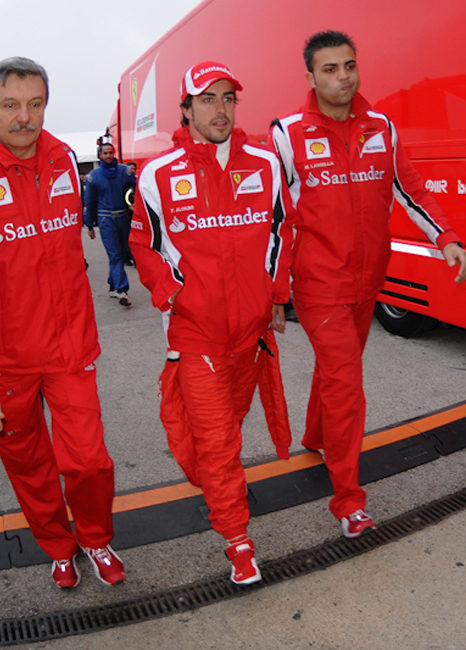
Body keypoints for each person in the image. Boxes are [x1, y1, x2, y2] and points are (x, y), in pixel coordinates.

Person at [0, 56, 125, 589]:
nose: (24, 117)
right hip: (2, 364)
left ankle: (96, 537)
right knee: (32, 469)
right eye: (11, 105)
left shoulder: (66, 161)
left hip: (70, 351)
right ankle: (58, 547)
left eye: (35, 104)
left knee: (88, 463)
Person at [271, 31, 466, 538]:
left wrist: (444, 236)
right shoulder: (287, 134)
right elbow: (275, 220)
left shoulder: (381, 126)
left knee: (339, 372)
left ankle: (317, 437)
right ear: (310, 76)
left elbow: (410, 188)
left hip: (367, 281)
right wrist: (274, 289)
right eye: (331, 69)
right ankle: (348, 499)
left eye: (350, 66)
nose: (343, 77)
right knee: (346, 384)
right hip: (318, 286)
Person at [130, 60, 291, 585]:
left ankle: (220, 487)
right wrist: (172, 292)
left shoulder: (265, 166)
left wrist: (275, 294)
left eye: (228, 98)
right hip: (194, 334)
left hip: (250, 334)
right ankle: (237, 538)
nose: (220, 109)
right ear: (187, 108)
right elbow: (144, 245)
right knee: (218, 440)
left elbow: (282, 231)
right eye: (208, 99)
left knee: (227, 431)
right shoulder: (158, 173)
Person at [84, 142, 134, 306]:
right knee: (115, 255)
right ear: (100, 155)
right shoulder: (94, 176)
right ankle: (122, 290)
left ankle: (113, 285)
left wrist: (133, 203)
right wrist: (89, 225)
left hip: (123, 218)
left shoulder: (124, 172)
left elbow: (135, 189)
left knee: (122, 252)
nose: (108, 156)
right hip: (106, 220)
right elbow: (89, 202)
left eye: (110, 152)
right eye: (105, 153)